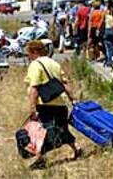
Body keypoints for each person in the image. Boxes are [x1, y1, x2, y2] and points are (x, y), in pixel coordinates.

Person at [24, 40, 81, 169]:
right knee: (62, 128)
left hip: (44, 104)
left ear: (34, 52)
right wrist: (73, 99)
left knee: (41, 132)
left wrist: (32, 108)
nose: (28, 56)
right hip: (60, 104)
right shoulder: (54, 63)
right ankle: (76, 148)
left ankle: (40, 159)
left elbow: (34, 89)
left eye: (29, 53)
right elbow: (65, 84)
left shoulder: (35, 65)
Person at [103, 1, 113, 67]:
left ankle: (109, 61)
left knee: (108, 47)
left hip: (107, 30)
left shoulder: (106, 14)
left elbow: (103, 22)